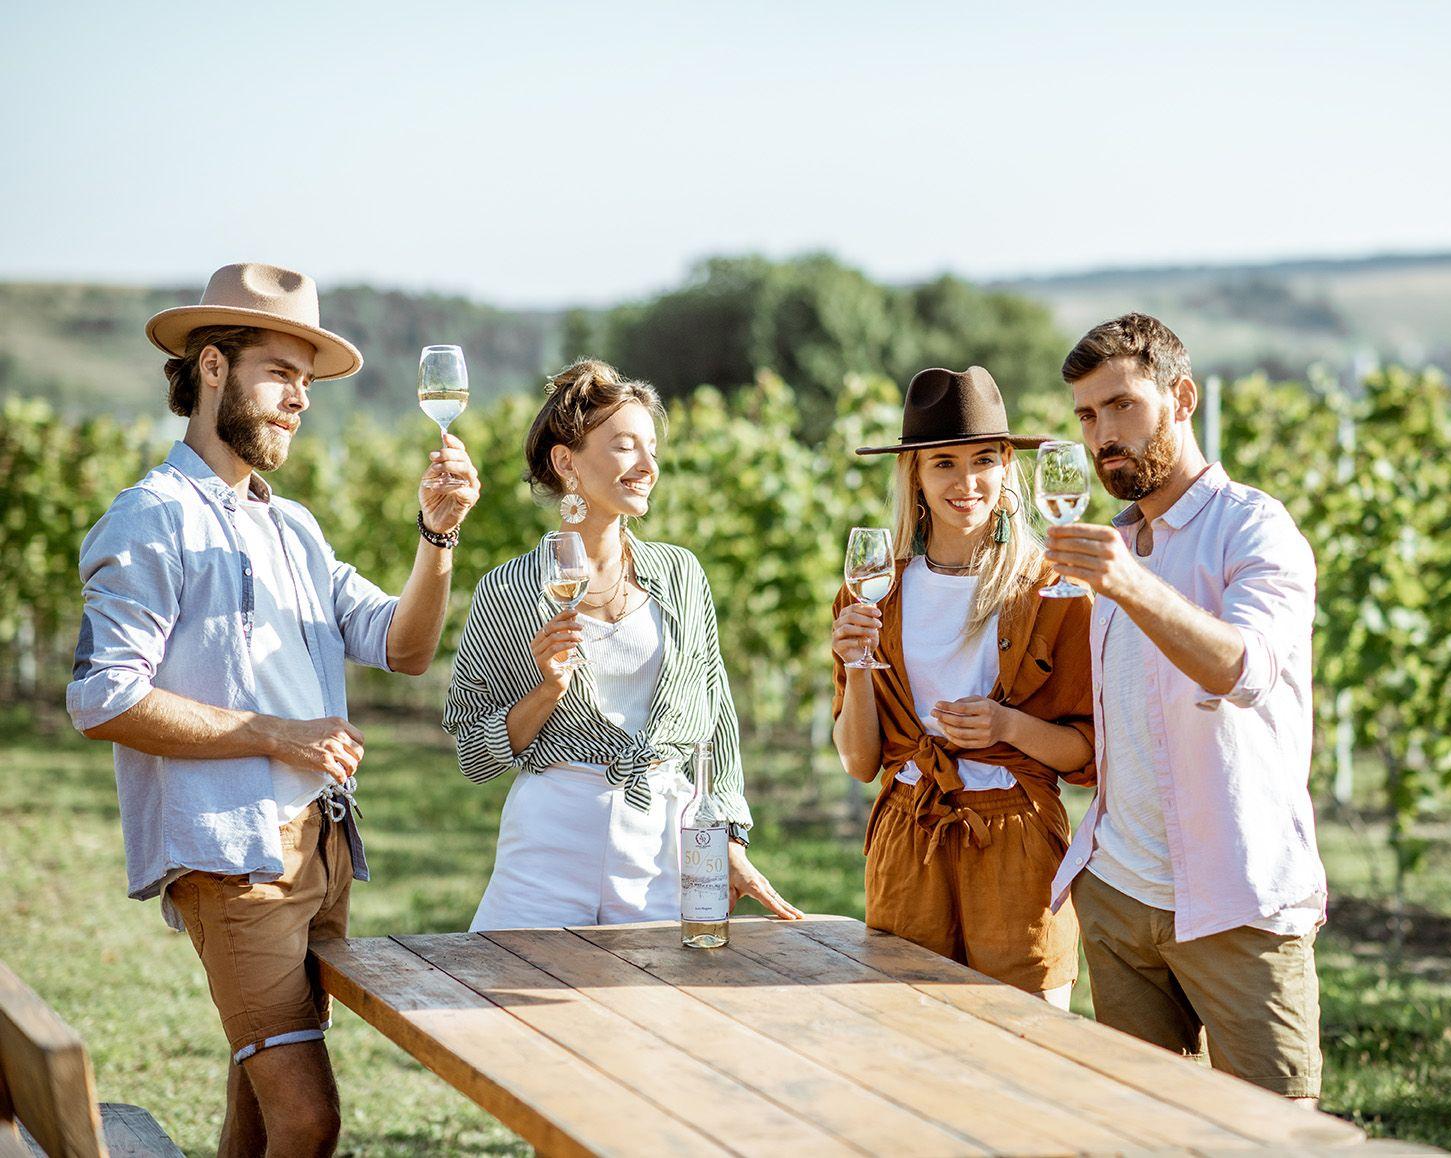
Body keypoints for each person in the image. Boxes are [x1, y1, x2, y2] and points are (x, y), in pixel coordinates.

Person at [67, 262, 480, 1156]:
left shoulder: (292, 526)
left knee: (258, 1102)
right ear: (212, 367)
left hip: (320, 848)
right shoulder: (151, 518)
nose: (299, 399)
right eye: (281, 373)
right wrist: (281, 735)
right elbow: (104, 699)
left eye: (308, 381)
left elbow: (402, 648)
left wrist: (437, 534)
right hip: (233, 856)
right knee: (309, 1118)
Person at [1044, 312, 1329, 1105]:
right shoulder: (1112, 542)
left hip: (1234, 897)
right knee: (1140, 1131)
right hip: (1118, 891)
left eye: (1121, 406)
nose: (1103, 435)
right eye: (1087, 416)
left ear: (1181, 397)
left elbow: (1244, 669)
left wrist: (1127, 584)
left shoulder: (1254, 529)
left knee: (1276, 1133)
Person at [444, 357, 801, 930]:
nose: (648, 466)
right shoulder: (507, 589)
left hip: (660, 841)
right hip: (550, 841)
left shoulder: (681, 574)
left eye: (652, 448)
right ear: (567, 463)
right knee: (511, 1007)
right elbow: (472, 753)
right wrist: (544, 693)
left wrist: (732, 837)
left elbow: (718, 720)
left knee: (653, 1011)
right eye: (625, 446)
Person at [832, 365, 1095, 1007]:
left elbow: (1085, 757)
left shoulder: (1051, 591)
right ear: (915, 477)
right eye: (943, 463)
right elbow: (861, 761)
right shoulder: (874, 592)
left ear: (1008, 467)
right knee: (909, 1047)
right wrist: (858, 667)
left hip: (1016, 844)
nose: (966, 481)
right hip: (910, 835)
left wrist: (1007, 727)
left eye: (983, 459)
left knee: (1028, 1050)